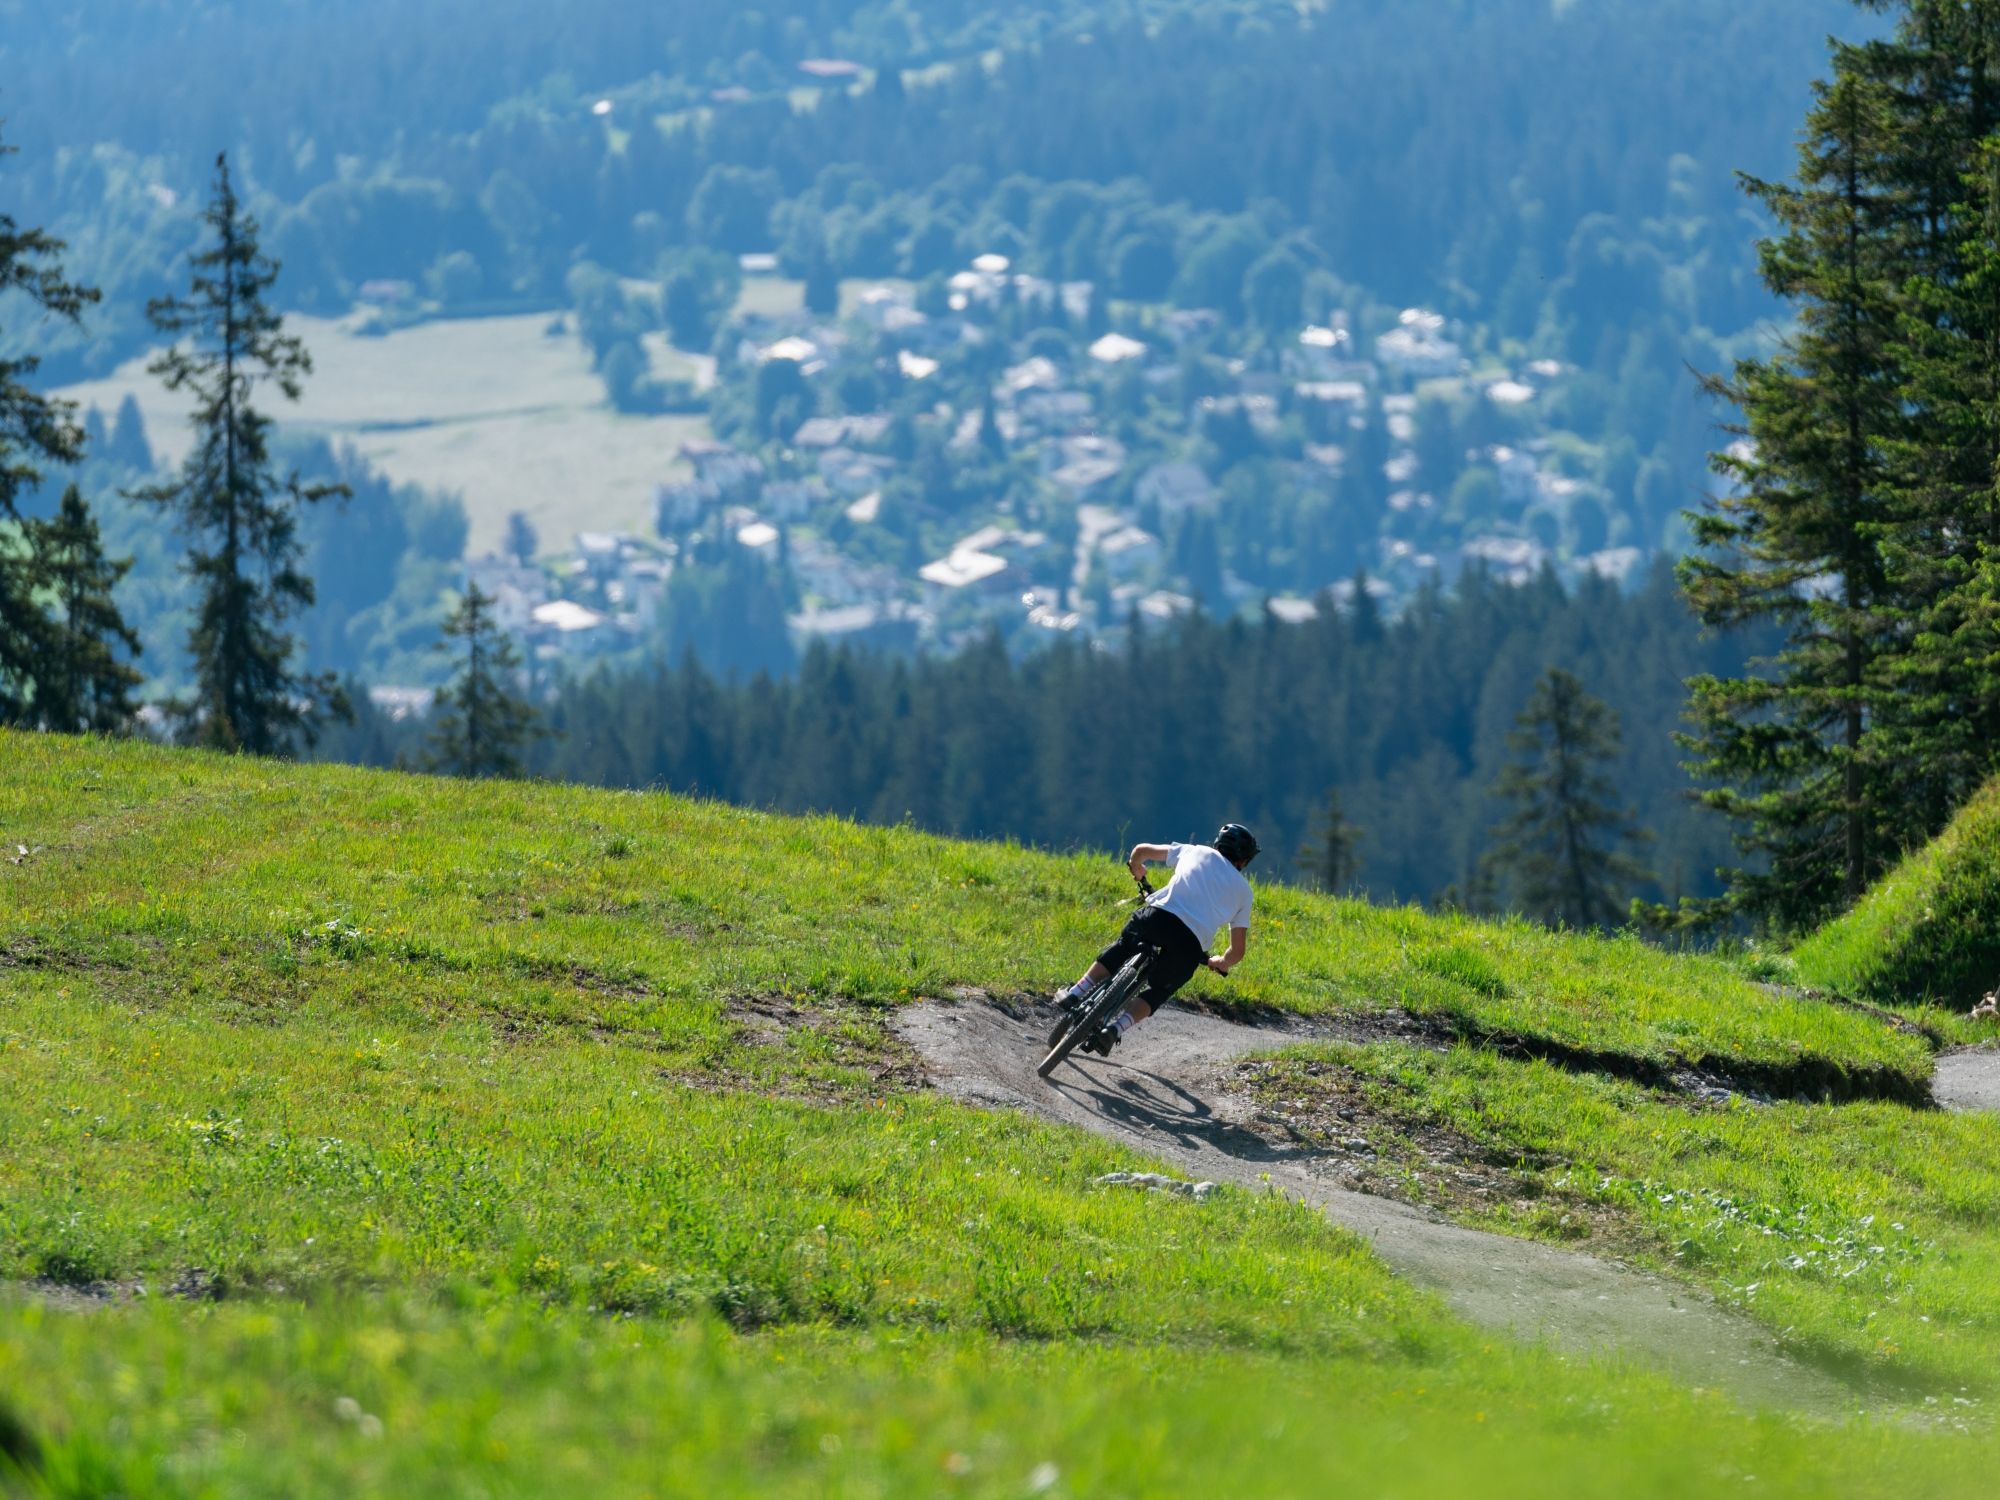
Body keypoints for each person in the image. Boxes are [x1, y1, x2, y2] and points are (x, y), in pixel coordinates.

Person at [1054, 823, 1259, 1056]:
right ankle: (1115, 1029)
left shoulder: (1197, 851)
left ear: (1217, 844)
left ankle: (1076, 992)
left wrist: (1137, 868)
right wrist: (1221, 961)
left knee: (1122, 947)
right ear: (1244, 861)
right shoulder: (1245, 892)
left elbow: (1141, 850)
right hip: (1190, 944)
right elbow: (1237, 951)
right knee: (1159, 990)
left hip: (1157, 918)